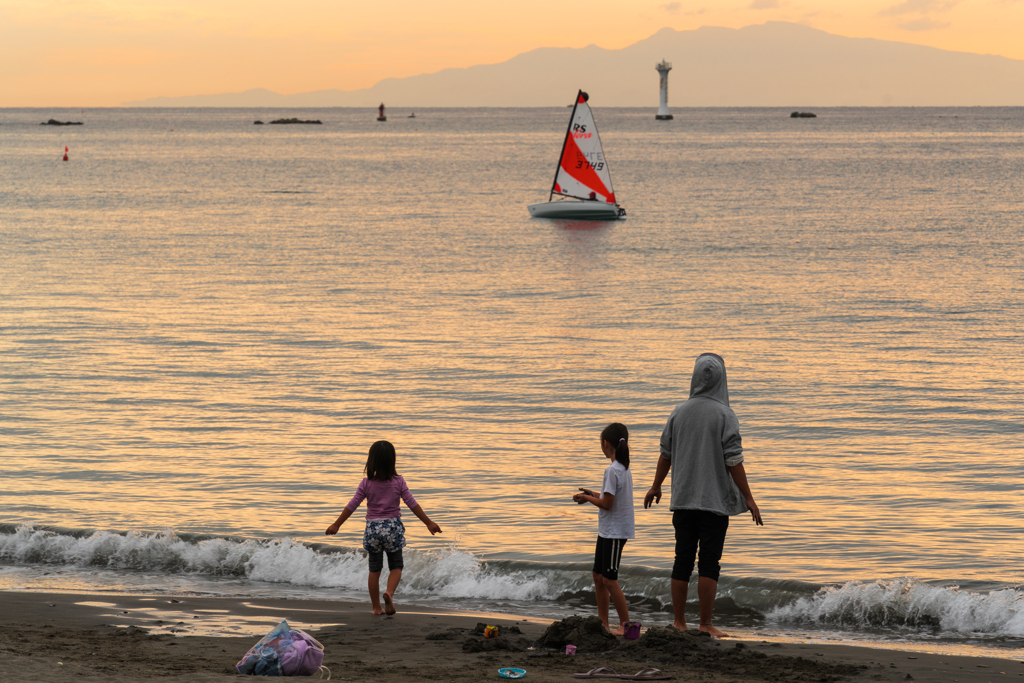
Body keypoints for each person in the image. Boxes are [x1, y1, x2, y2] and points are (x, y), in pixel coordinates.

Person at [643, 353, 762, 637]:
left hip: (683, 500)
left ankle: (679, 622)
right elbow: (734, 460)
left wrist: (656, 486)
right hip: (713, 502)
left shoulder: (678, 412)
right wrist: (748, 497)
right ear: (722, 380)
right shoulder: (725, 414)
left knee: (682, 560)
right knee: (709, 562)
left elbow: (665, 455)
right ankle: (706, 624)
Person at [326, 440, 441, 615]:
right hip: (392, 528)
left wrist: (337, 524)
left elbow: (352, 505)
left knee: (374, 569)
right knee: (396, 565)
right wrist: (428, 522)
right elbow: (412, 503)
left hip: (373, 530)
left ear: (371, 460)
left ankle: (376, 607)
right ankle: (389, 592)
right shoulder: (399, 482)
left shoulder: (366, 483)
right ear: (392, 460)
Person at [573, 422, 635, 635]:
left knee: (609, 579)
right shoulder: (623, 468)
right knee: (598, 576)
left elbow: (607, 504)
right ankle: (603, 624)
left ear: (605, 444)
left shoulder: (612, 470)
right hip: (608, 531)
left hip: (615, 532)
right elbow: (610, 498)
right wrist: (592, 494)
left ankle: (625, 626)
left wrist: (587, 499)